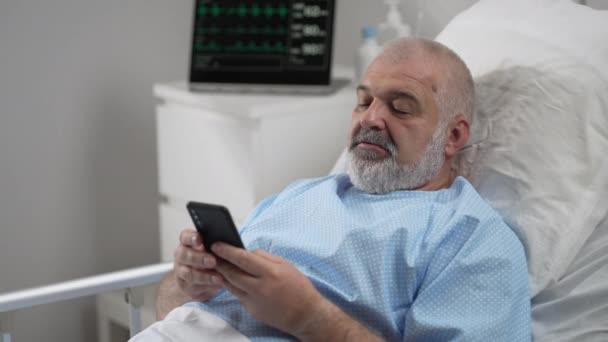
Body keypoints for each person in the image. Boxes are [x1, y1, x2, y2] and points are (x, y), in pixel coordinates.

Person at [151, 37, 530, 341]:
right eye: (364, 101)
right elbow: (168, 312)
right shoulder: (299, 195)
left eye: (400, 107)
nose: (371, 119)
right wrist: (187, 284)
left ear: (454, 135)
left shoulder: (472, 241)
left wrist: (310, 318)